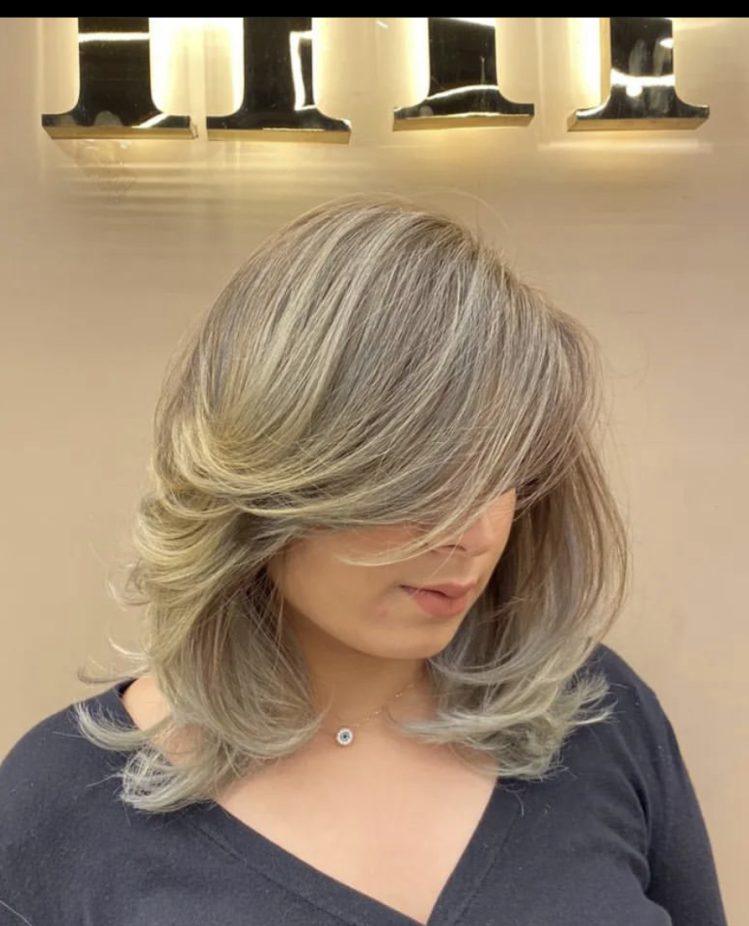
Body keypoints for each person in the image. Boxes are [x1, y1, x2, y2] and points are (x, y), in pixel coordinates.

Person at [0, 193, 727, 925]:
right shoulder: (54, 808)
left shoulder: (598, 713)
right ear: (266, 473)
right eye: (422, 475)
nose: (474, 532)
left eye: (501, 470)